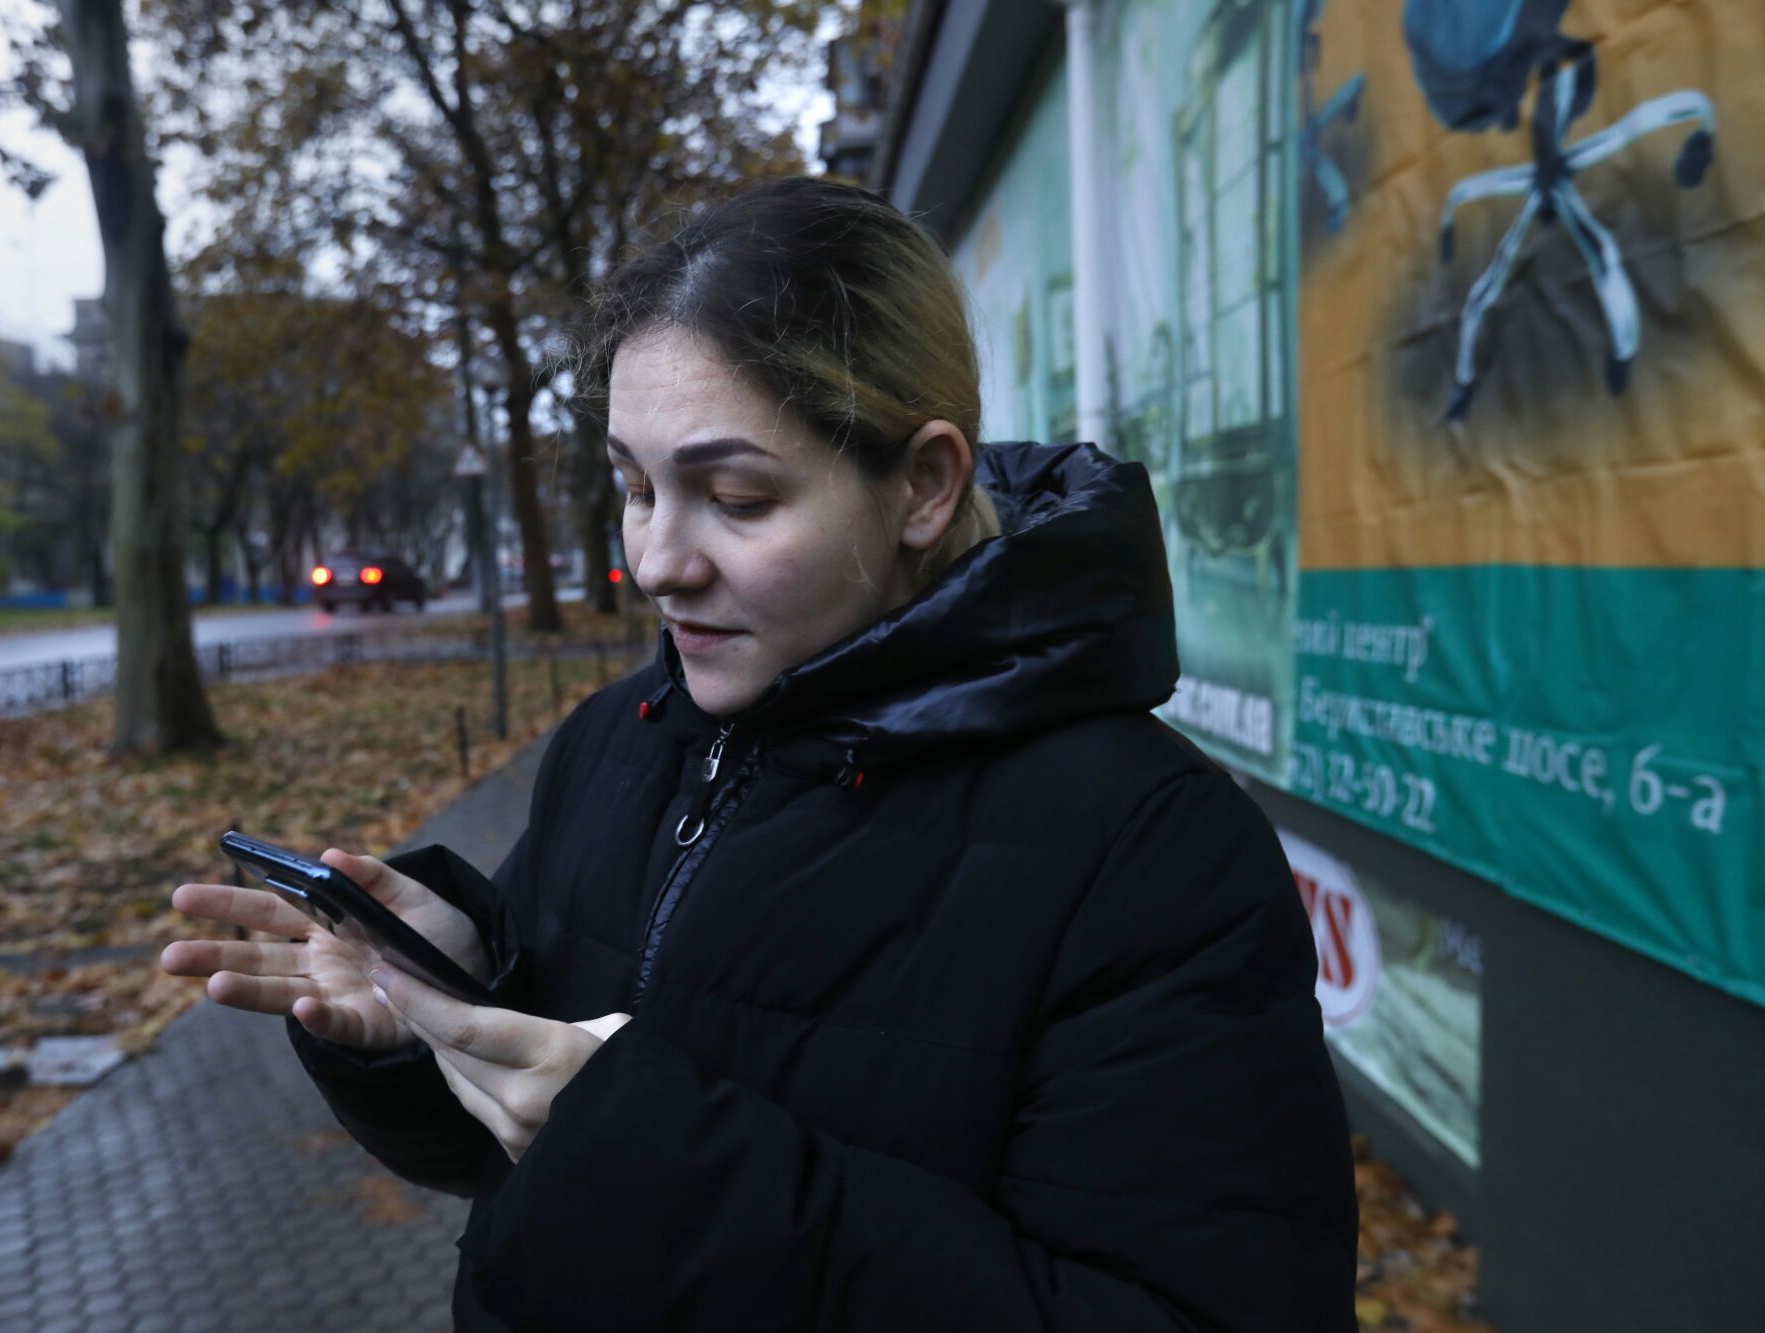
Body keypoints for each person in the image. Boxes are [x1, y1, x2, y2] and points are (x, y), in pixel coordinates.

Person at [161, 175, 1358, 1331]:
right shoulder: (613, 744)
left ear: (924, 487)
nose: (655, 560)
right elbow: (522, 1173)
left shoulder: (1153, 857)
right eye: (632, 487)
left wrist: (658, 1173)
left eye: (732, 497)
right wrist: (447, 1001)